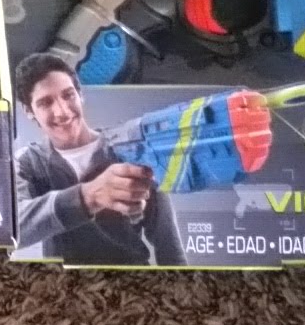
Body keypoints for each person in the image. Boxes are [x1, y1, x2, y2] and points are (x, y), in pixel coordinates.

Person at [11, 51, 186, 266]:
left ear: (80, 94)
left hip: (133, 280)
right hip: (62, 283)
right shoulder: (27, 163)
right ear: (28, 111)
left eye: (68, 95)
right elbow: (12, 228)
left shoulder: (130, 148)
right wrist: (89, 196)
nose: (62, 111)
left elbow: (168, 245)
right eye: (46, 103)